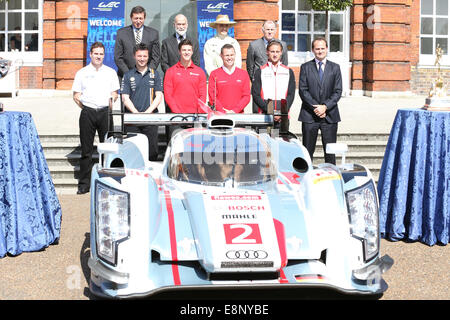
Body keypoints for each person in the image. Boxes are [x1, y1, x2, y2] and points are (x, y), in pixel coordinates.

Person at [72, 42, 120, 194]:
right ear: (90, 54)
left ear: (104, 55)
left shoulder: (111, 72)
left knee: (108, 149)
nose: (99, 56)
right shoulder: (82, 73)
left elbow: (115, 93)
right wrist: (87, 108)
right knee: (86, 150)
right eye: (96, 53)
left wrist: (111, 103)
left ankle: (108, 182)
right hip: (88, 113)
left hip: (105, 113)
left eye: (101, 54)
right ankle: (84, 185)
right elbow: (76, 96)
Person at [298, 37, 342, 165]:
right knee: (307, 152)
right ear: (313, 50)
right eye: (317, 49)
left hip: (329, 116)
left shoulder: (335, 68)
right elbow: (303, 90)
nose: (320, 51)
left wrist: (325, 107)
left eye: (323, 48)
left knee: (330, 154)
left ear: (327, 49)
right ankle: (306, 179)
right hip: (310, 116)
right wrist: (316, 108)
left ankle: (331, 179)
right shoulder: (305, 67)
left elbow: (338, 91)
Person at [121, 43, 163, 161]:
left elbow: (159, 96)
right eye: (139, 56)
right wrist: (136, 114)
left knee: (152, 152)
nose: (142, 59)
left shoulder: (155, 74)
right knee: (131, 153)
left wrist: (147, 113)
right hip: (132, 121)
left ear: (148, 57)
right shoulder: (128, 75)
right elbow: (125, 97)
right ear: (134, 56)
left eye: (144, 56)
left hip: (150, 119)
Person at [247, 20, 288, 113]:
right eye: (267, 29)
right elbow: (250, 66)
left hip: (277, 86)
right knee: (258, 116)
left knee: (278, 115)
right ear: (262, 30)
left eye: (272, 29)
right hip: (259, 87)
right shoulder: (254, 45)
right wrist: (256, 80)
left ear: (276, 30)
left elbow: (285, 64)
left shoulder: (283, 45)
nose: (270, 32)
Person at [251, 39, 295, 126]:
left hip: (282, 117)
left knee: (280, 139)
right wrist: (270, 111)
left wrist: (282, 111)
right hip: (264, 115)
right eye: (272, 51)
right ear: (267, 52)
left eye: (277, 51)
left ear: (281, 52)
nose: (275, 54)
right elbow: (255, 94)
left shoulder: (288, 71)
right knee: (265, 139)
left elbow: (291, 94)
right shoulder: (260, 71)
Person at [114, 6, 160, 79]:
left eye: (140, 18)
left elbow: (156, 57)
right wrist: (128, 74)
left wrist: (147, 73)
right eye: (136, 18)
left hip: (146, 77)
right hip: (125, 76)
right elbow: (118, 57)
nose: (138, 21)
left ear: (144, 18)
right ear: (131, 18)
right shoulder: (121, 33)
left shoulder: (153, 34)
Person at [164, 38, 207, 114]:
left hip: (194, 117)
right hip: (176, 117)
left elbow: (202, 95)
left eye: (189, 50)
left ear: (192, 52)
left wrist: (198, 112)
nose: (186, 52)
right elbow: (168, 95)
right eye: (184, 50)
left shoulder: (200, 72)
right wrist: (177, 113)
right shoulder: (170, 71)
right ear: (179, 52)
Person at [208, 44, 250, 113]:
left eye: (231, 55)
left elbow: (246, 97)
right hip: (220, 116)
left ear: (235, 55)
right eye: (227, 55)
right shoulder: (214, 74)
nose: (229, 58)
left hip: (238, 115)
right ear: (221, 56)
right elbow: (212, 97)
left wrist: (235, 111)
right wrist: (223, 111)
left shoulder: (243, 74)